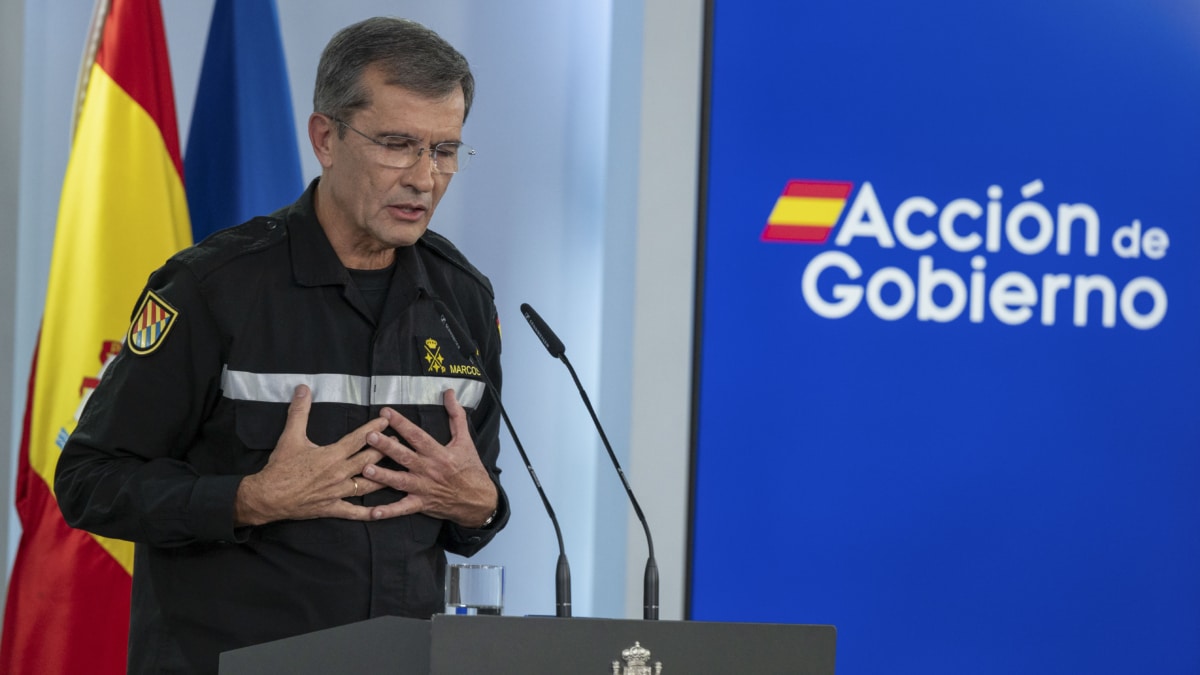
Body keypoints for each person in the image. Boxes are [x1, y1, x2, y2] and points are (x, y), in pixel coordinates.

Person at [54, 16, 508, 675]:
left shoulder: (464, 300)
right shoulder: (211, 288)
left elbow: (472, 498)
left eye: (444, 151)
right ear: (326, 138)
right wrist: (246, 498)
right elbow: (88, 480)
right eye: (398, 144)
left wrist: (484, 507)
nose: (424, 177)